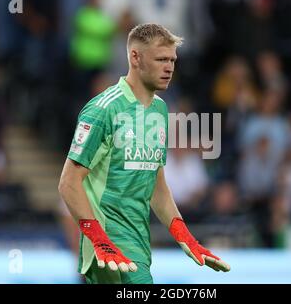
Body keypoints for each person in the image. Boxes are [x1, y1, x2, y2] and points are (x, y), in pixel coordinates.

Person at [58, 23, 230, 284]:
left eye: (172, 60)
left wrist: (186, 237)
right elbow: (68, 182)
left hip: (138, 247)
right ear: (135, 57)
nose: (169, 67)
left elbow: (157, 187)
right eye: (161, 59)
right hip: (109, 250)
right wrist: (99, 240)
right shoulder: (103, 109)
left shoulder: (159, 111)